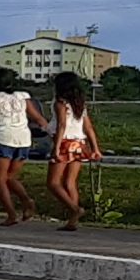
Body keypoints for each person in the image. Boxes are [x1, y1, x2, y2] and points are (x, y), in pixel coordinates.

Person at [0, 68, 49, 226]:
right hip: (23, 139)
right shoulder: (22, 96)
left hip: (1, 138)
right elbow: (37, 118)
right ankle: (26, 200)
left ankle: (11, 214)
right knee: (10, 177)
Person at [44, 70, 103, 231]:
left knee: (53, 183)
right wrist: (95, 148)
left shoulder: (60, 103)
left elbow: (62, 125)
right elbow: (88, 127)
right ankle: (73, 219)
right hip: (79, 143)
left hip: (64, 142)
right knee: (70, 182)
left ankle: (74, 209)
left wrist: (56, 148)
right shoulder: (79, 104)